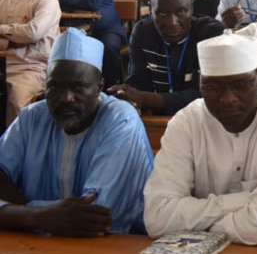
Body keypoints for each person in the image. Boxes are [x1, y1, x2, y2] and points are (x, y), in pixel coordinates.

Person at [143, 29, 257, 245]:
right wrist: (246, 202)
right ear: (200, 84)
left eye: (239, 85)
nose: (227, 99)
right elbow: (157, 218)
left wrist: (197, 223)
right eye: (213, 87)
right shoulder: (188, 121)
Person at [0, 29, 153, 235]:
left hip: (113, 247)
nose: (66, 98)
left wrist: (18, 213)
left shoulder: (121, 120)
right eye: (55, 87)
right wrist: (37, 215)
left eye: (78, 87)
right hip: (34, 243)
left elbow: (93, 215)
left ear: (99, 88)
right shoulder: (31, 117)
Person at [107, 0, 224, 115]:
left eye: (180, 12)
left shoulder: (210, 33)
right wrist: (129, 99)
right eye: (162, 13)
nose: (172, 22)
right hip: (157, 120)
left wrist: (144, 99)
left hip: (201, 119)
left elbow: (205, 95)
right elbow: (139, 84)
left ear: (191, 9)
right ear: (150, 11)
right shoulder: (143, 32)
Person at [0, 0, 60, 124]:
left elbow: (32, 33)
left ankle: (14, 150)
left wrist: (3, 31)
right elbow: (24, 35)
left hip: (32, 67)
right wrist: (10, 40)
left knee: (16, 99)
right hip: (2, 62)